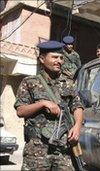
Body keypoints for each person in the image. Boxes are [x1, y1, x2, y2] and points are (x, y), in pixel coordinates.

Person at [14, 40, 84, 170]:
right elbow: (21, 111)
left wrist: (77, 126)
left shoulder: (68, 83)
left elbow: (77, 105)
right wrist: (42, 104)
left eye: (61, 58)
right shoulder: (30, 82)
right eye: (54, 57)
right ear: (42, 58)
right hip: (37, 150)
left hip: (63, 149)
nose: (59, 61)